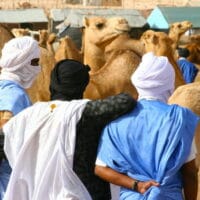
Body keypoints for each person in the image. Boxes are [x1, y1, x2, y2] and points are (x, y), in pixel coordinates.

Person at [1, 59, 137, 200]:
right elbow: (125, 101)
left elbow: (3, 139)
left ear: (53, 83)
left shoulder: (26, 117)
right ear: (83, 85)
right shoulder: (86, 112)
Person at [95, 52, 199, 200]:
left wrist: (136, 185)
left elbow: (100, 168)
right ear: (169, 83)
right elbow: (190, 173)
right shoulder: (180, 119)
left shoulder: (118, 120)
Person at [0, 36, 41, 199]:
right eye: (35, 62)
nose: (38, 68)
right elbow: (4, 135)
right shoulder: (14, 95)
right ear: (22, 62)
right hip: (8, 181)